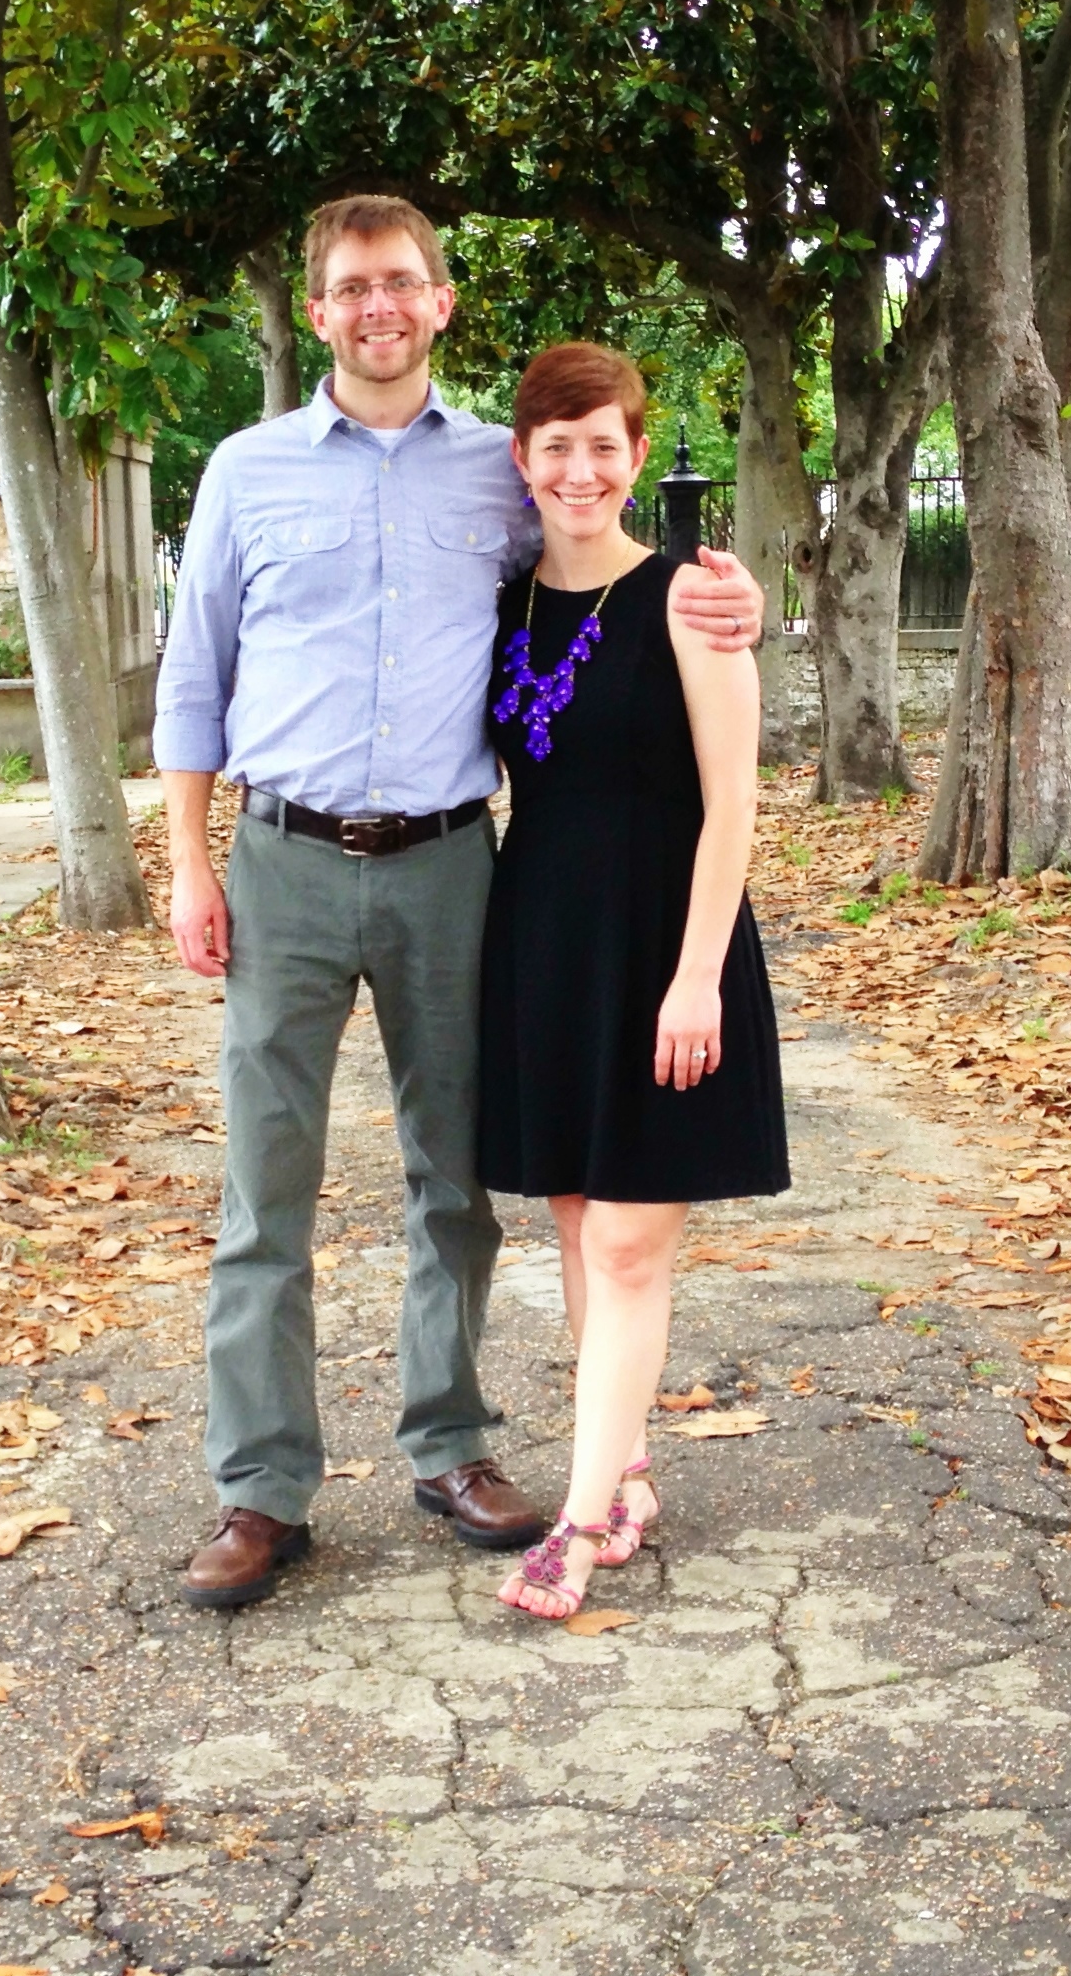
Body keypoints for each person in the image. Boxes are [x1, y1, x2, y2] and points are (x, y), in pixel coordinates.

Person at [153, 196, 768, 1611]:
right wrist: (189, 861)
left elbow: (603, 558)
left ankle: (450, 1446)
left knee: (457, 1180)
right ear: (319, 311)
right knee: (267, 1188)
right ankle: (262, 1489)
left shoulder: (500, 467)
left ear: (440, 302)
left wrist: (726, 596)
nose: (377, 305)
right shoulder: (245, 471)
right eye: (351, 286)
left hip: (450, 866)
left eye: (402, 282)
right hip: (285, 860)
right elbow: (195, 673)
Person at [473, 343, 790, 1620]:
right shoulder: (505, 603)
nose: (580, 469)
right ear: (523, 460)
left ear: (637, 455)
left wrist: (698, 975)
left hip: (667, 941)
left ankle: (583, 1517)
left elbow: (735, 806)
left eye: (603, 444)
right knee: (574, 1224)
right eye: (556, 446)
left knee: (624, 1240)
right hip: (545, 940)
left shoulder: (693, 601)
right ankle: (633, 1468)